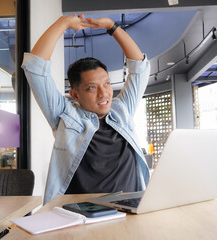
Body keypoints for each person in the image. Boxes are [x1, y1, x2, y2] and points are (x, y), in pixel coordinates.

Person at [21, 14, 151, 204]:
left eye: (106, 84)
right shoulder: (64, 114)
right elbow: (34, 67)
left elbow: (139, 67)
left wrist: (111, 27)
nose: (104, 93)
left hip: (129, 209)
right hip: (82, 213)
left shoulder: (122, 110)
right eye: (92, 88)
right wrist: (63, 23)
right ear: (75, 95)